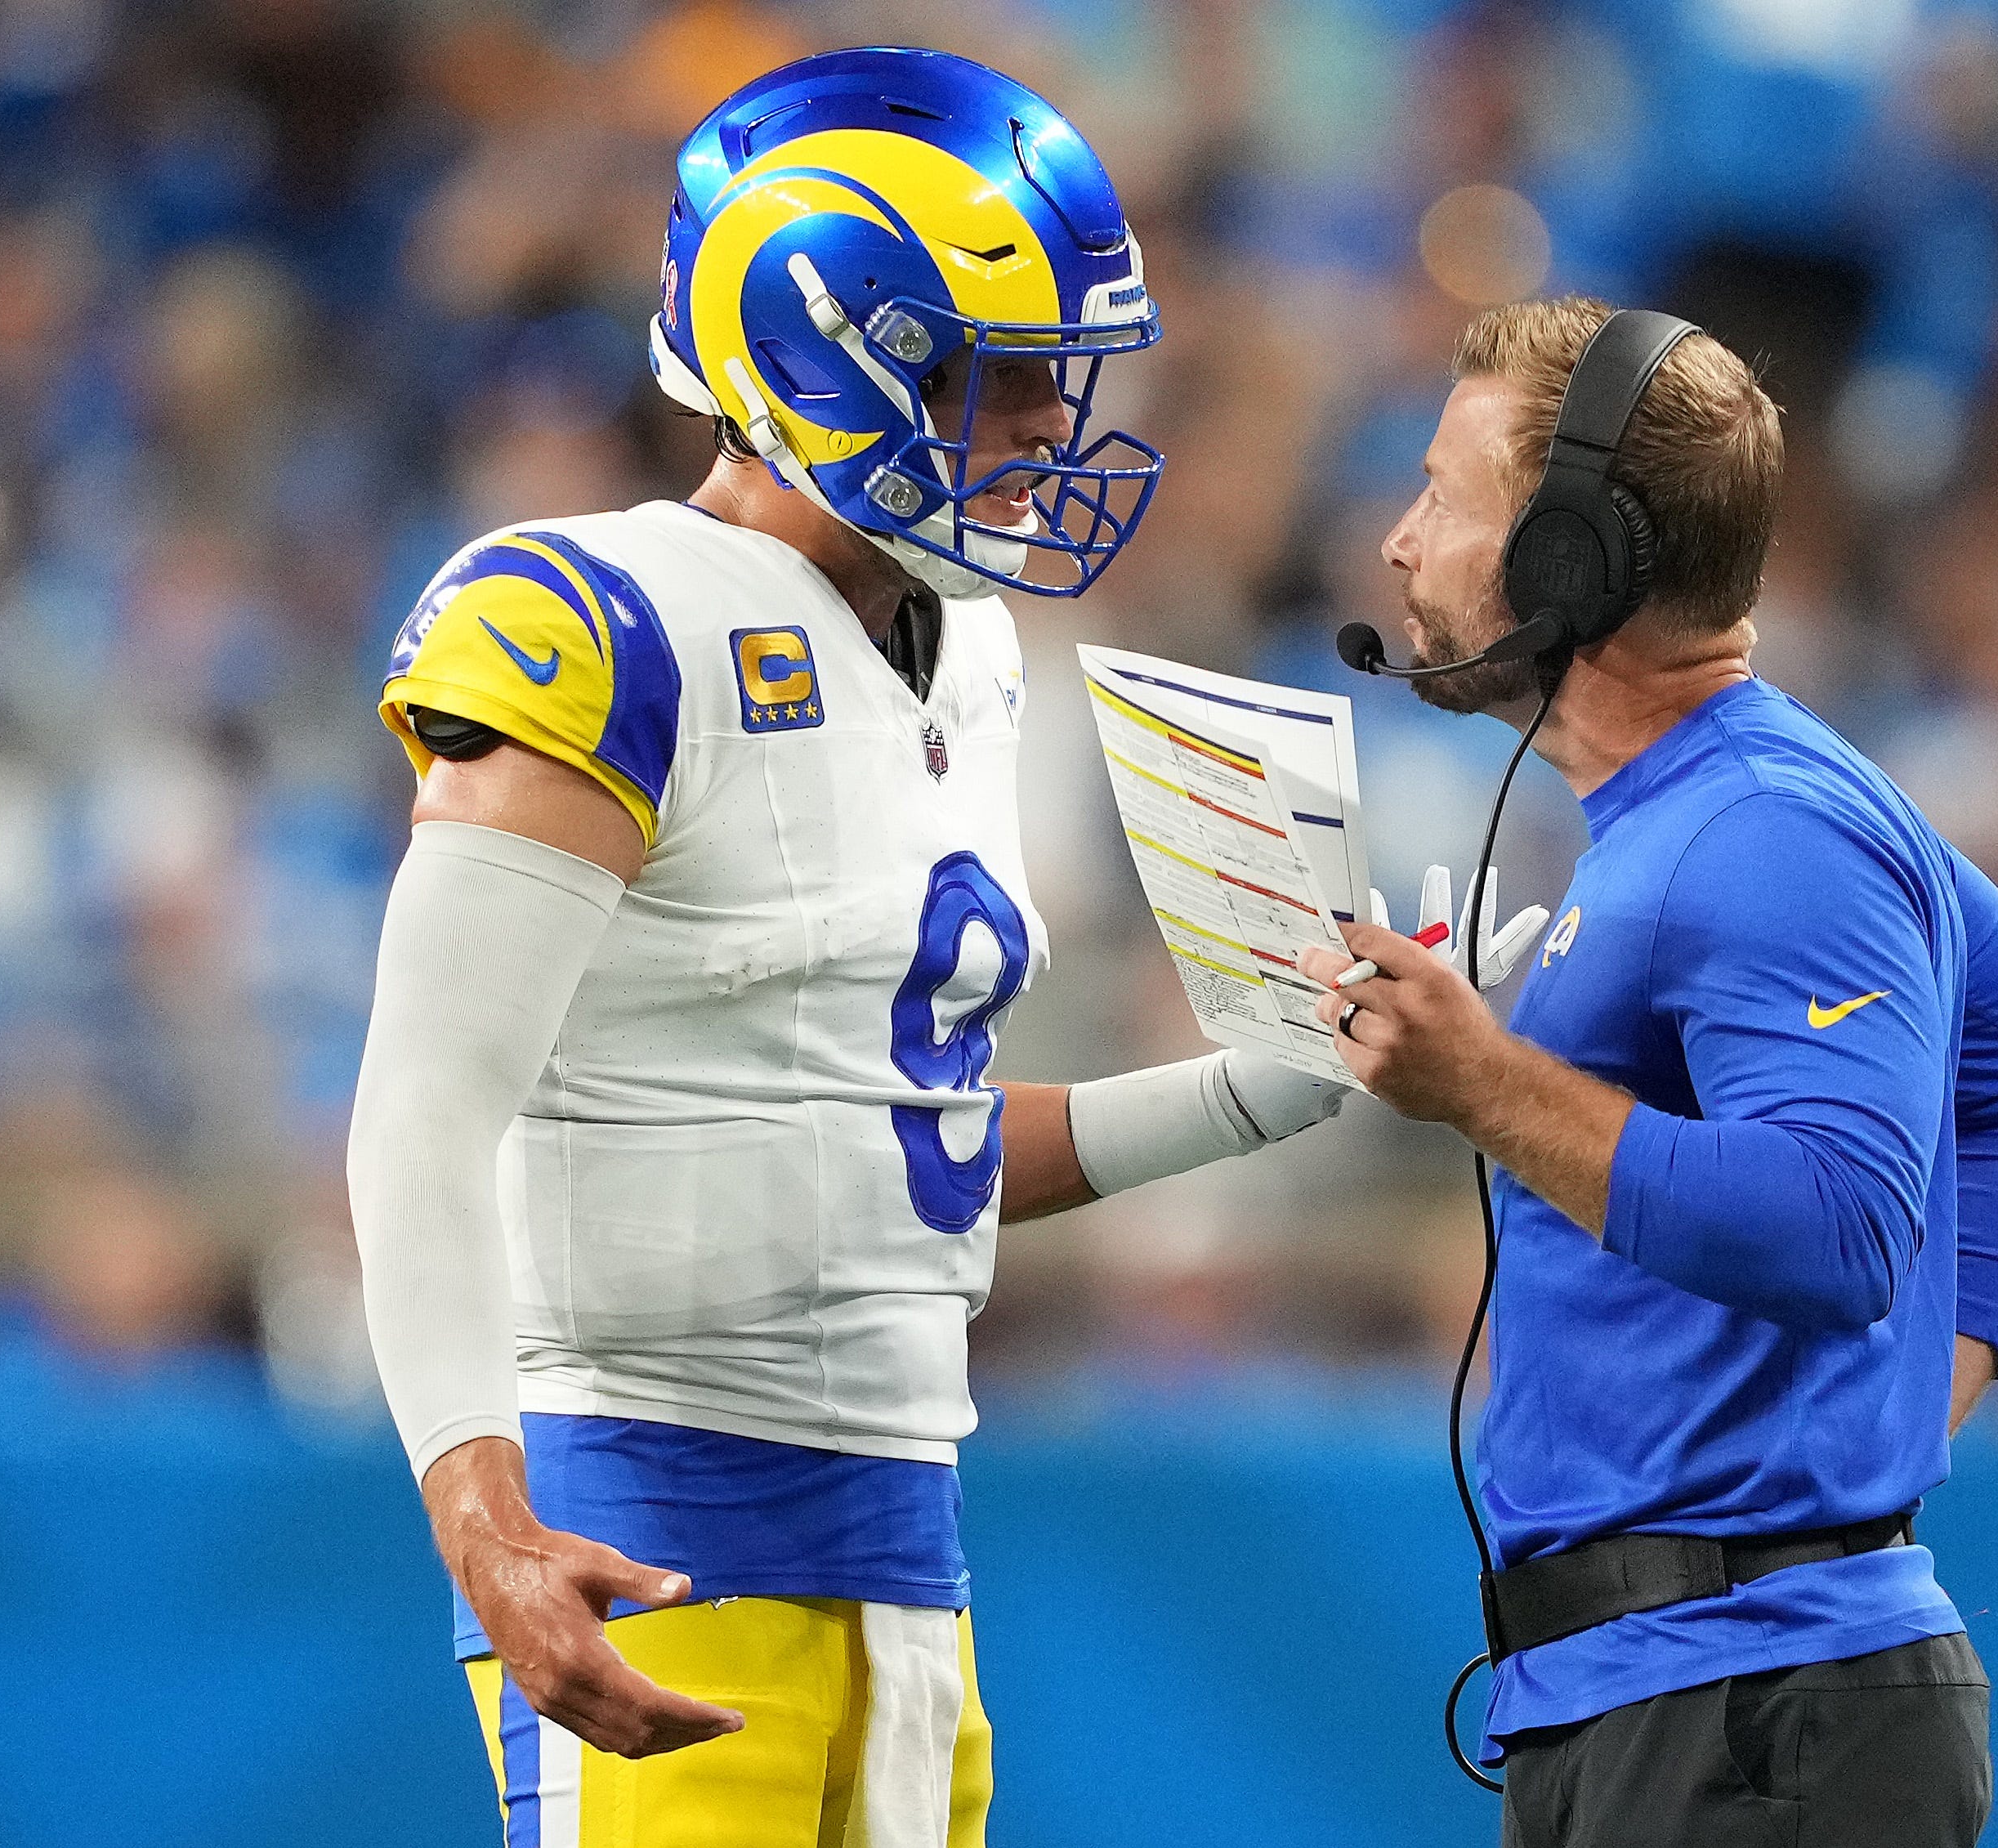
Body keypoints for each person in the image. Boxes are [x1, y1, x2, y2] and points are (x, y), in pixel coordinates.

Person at [344, 49, 1376, 1848]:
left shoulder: (965, 653)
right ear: (825, 351)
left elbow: (908, 1149)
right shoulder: (595, 620)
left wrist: (1264, 1090)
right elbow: (421, 1112)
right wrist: (481, 1510)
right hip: (648, 1514)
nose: (1052, 432)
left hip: (907, 1546)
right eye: (1001, 380)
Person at [1295, 296, 1998, 1848]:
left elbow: (1840, 1224)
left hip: (1754, 1704)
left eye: (1441, 496)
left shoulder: (1765, 830)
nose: (1398, 544)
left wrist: (1484, 1083)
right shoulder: (1738, 800)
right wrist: (1922, 1407)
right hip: (1685, 1692)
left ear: (1571, 560)